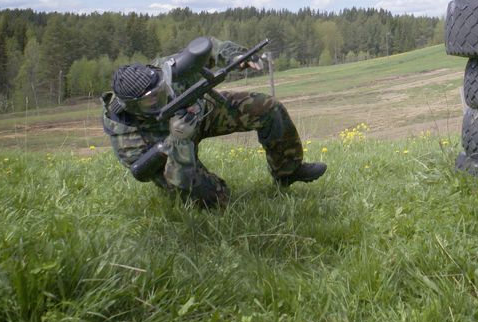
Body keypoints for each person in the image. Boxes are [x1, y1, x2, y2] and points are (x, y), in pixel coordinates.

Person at [101, 36, 326, 208]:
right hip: (174, 146)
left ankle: (288, 171)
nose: (161, 99)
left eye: (161, 91)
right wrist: (179, 141)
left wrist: (234, 56)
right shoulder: (128, 140)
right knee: (215, 200)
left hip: (199, 110)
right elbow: (177, 177)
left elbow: (206, 47)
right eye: (151, 102)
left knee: (268, 108)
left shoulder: (166, 71)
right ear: (131, 107)